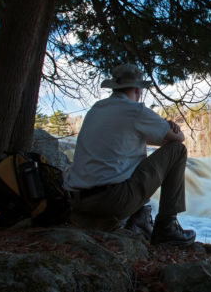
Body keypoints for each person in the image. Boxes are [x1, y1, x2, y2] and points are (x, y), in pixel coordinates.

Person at [64, 64, 196, 246]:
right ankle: (167, 226)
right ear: (137, 89)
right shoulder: (136, 111)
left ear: (114, 87)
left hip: (78, 200)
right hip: (111, 201)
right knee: (177, 151)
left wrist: (157, 132)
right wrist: (168, 127)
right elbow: (178, 139)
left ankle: (138, 217)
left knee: (125, 164)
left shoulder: (96, 109)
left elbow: (126, 139)